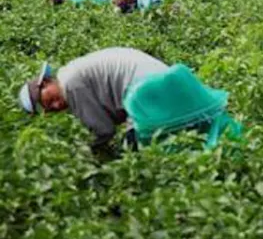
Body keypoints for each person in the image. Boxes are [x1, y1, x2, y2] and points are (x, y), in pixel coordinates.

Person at [18, 47, 168, 160]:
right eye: (51, 110)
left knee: (132, 155)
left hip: (148, 87)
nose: (56, 106)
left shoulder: (70, 85)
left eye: (50, 101)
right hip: (161, 78)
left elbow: (104, 130)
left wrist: (82, 154)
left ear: (45, 83)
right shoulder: (69, 73)